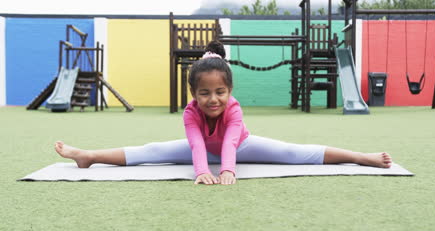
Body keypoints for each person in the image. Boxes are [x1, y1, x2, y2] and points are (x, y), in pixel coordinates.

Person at [55, 41, 392, 185]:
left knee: (294, 152)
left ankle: (361, 157)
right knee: (151, 152)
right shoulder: (191, 113)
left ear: (229, 91)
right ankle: (88, 156)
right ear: (194, 94)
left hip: (242, 145)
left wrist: (228, 170)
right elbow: (197, 145)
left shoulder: (233, 109)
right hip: (201, 146)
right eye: (204, 93)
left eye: (219, 92)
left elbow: (230, 142)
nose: (212, 99)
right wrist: (202, 171)